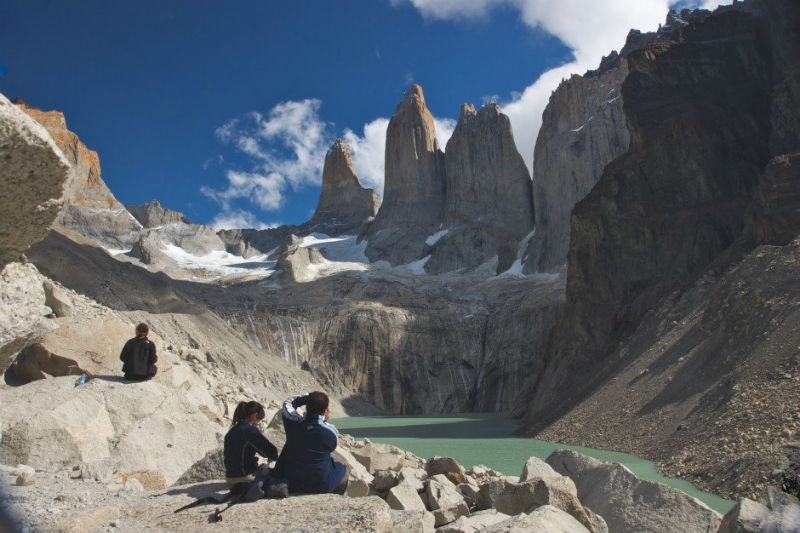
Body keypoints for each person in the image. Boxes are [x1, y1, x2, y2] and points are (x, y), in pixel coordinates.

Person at [273, 391, 348, 494]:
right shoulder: (331, 432)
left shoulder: (293, 423)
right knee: (342, 469)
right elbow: (331, 447)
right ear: (325, 410)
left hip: (294, 481)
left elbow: (288, 402)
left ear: (307, 406)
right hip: (321, 484)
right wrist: (323, 419)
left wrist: (309, 397)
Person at [223, 401, 278, 487]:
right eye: (259, 419)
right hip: (244, 477)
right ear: (254, 415)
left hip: (230, 477)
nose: (257, 423)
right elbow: (271, 452)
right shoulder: (250, 430)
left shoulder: (231, 431)